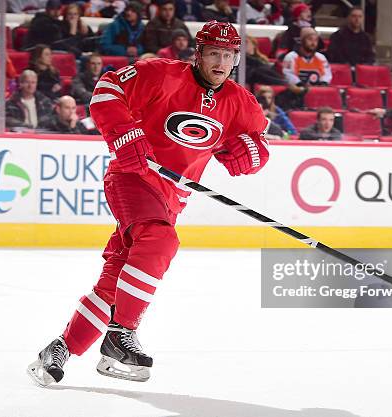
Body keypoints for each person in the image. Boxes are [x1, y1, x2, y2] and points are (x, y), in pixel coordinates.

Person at [27, 21, 269, 386]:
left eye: (228, 55)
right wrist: (123, 131)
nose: (221, 62)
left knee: (116, 281)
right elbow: (107, 89)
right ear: (198, 54)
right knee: (161, 241)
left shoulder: (239, 102)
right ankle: (120, 334)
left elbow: (259, 145)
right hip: (132, 178)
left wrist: (250, 153)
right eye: (214, 53)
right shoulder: (160, 75)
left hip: (172, 200)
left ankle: (59, 349)